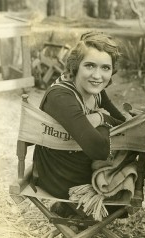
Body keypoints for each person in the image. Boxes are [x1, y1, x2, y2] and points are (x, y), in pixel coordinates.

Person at [31, 32, 130, 214]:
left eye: (105, 68)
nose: (97, 75)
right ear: (76, 66)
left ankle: (72, 211)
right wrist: (102, 119)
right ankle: (71, 208)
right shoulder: (61, 96)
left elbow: (123, 124)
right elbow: (98, 148)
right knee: (126, 167)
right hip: (58, 175)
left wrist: (101, 119)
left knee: (134, 153)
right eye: (90, 66)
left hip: (77, 162)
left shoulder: (95, 90)